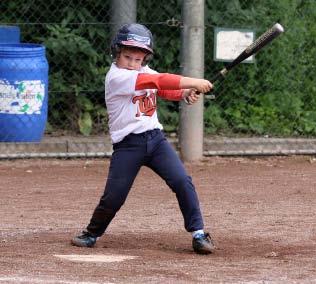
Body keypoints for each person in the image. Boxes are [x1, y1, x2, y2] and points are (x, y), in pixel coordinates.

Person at [71, 23, 214, 254]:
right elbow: (158, 81)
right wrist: (193, 81)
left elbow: (162, 89)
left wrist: (185, 93)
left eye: (138, 60)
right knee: (114, 196)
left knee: (181, 181)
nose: (133, 63)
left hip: (155, 140)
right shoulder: (117, 77)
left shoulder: (143, 72)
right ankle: (91, 233)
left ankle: (199, 234)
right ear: (116, 52)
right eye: (127, 56)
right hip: (128, 146)